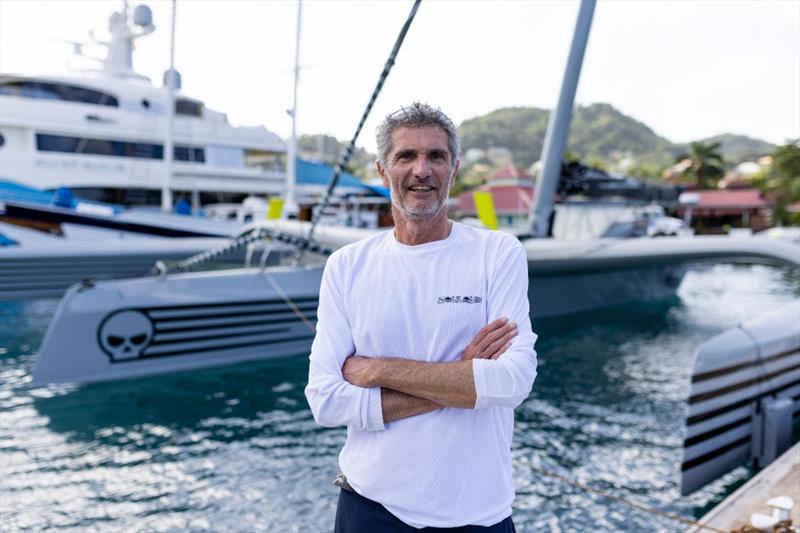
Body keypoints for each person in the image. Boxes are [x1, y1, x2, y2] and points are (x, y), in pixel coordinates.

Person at [305, 102, 538, 532]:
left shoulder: (497, 254)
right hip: (369, 508)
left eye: (436, 156)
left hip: (477, 514)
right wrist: (461, 379)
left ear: (454, 169)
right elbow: (326, 400)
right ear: (381, 170)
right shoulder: (347, 265)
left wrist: (376, 370)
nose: (422, 169)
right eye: (406, 156)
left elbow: (513, 381)